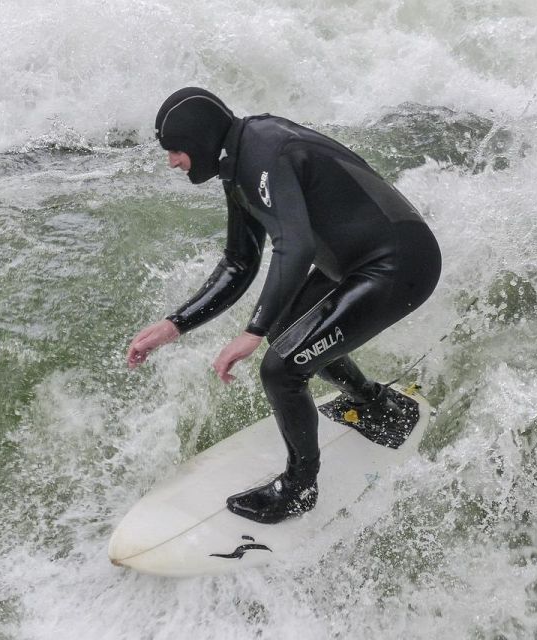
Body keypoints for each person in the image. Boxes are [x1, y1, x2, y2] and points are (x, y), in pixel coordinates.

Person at [126, 87, 441, 525]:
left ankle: (298, 489)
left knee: (280, 369)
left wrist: (251, 331)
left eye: (176, 151)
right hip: (354, 265)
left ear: (199, 140)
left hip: (398, 265)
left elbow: (295, 246)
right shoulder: (240, 162)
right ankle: (374, 405)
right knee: (287, 335)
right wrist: (175, 325)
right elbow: (240, 262)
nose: (173, 162)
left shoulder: (265, 156)